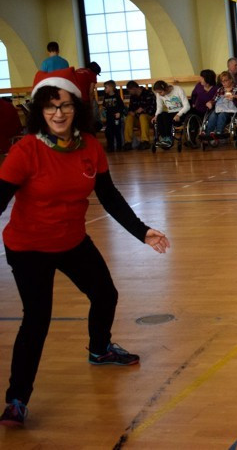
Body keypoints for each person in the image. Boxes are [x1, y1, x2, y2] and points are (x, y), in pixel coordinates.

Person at [0, 75, 170, 427]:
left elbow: (109, 196)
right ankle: (17, 399)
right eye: (50, 105)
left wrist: (143, 232)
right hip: (29, 247)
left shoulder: (90, 146)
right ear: (40, 110)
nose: (58, 113)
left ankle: (100, 349)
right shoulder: (26, 150)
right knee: (37, 319)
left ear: (77, 108)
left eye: (65, 105)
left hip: (72, 240)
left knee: (105, 294)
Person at [203, 71, 237, 139]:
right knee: (213, 114)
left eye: (225, 81)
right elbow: (215, 100)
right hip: (220, 108)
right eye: (222, 81)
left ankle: (219, 133)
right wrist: (210, 102)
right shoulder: (220, 90)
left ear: (231, 80)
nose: (223, 83)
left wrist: (235, 96)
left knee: (222, 114)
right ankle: (208, 133)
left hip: (232, 111)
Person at [152, 80, 190, 148]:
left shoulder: (178, 89)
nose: (160, 94)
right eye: (158, 93)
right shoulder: (159, 94)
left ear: (166, 88)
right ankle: (164, 138)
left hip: (181, 112)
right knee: (160, 116)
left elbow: (187, 106)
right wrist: (156, 116)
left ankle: (168, 138)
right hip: (170, 113)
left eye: (160, 92)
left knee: (166, 117)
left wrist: (179, 114)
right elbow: (159, 107)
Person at [123, 80, 156, 150]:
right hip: (138, 119)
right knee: (129, 117)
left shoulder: (148, 93)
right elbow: (131, 109)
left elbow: (153, 109)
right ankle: (128, 142)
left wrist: (143, 110)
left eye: (129, 90)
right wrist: (132, 112)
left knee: (142, 116)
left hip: (150, 119)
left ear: (134, 89)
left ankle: (145, 141)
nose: (129, 92)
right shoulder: (133, 97)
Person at [101, 80, 124, 153]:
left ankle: (119, 146)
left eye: (106, 87)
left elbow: (121, 106)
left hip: (116, 118)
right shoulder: (105, 96)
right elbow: (104, 106)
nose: (105, 89)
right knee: (108, 132)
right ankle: (110, 146)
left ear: (111, 88)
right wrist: (103, 112)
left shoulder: (117, 96)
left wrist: (119, 113)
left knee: (117, 132)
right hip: (109, 118)